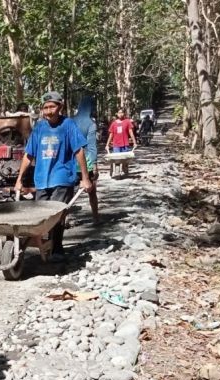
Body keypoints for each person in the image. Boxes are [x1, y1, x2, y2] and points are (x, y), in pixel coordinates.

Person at [14, 91, 91, 261]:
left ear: (60, 107)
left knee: (57, 214)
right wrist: (19, 179)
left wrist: (85, 178)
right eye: (45, 108)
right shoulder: (40, 127)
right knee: (42, 217)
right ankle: (45, 246)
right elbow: (29, 155)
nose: (49, 111)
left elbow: (79, 150)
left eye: (52, 107)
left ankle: (57, 248)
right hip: (42, 179)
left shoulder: (68, 125)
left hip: (62, 176)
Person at [72, 95, 100, 223]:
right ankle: (95, 217)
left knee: (68, 194)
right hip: (86, 163)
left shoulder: (70, 122)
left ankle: (63, 219)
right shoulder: (91, 124)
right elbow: (92, 146)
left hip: (71, 163)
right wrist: (94, 165)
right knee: (92, 192)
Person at [106, 108, 136, 176]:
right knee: (117, 160)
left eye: (122, 112)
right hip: (116, 145)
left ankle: (125, 169)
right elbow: (111, 134)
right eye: (119, 112)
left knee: (125, 159)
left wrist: (134, 142)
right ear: (117, 114)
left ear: (124, 113)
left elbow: (131, 132)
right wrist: (107, 144)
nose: (120, 114)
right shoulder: (114, 123)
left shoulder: (127, 122)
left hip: (125, 143)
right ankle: (116, 170)